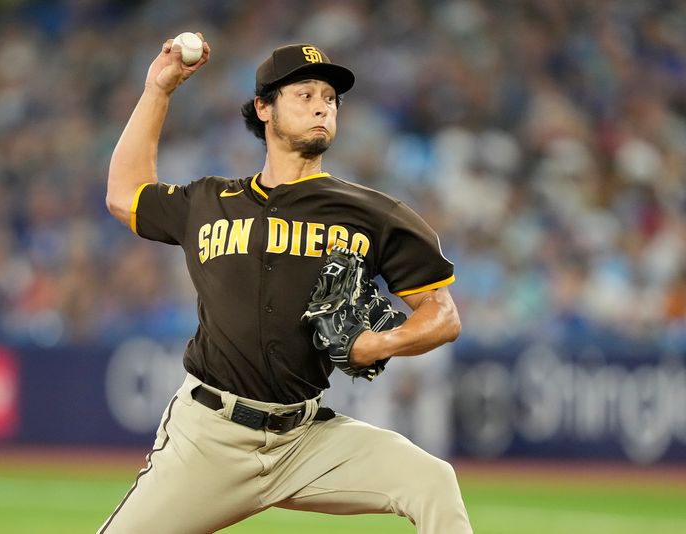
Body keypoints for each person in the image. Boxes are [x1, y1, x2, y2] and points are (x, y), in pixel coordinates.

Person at [99, 34, 473, 534]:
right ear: (264, 108)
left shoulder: (373, 214)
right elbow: (125, 196)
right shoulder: (209, 201)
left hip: (307, 441)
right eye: (305, 95)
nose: (322, 106)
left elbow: (442, 312)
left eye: (330, 98)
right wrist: (158, 91)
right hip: (209, 439)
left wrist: (382, 343)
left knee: (431, 480)